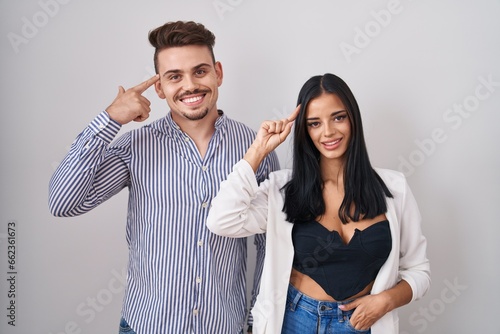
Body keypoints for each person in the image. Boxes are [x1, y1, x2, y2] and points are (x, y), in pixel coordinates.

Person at [48, 20, 279, 334]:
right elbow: (63, 202)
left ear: (218, 73)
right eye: (174, 76)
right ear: (160, 87)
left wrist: (256, 320)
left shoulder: (256, 146)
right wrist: (110, 119)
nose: (190, 86)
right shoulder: (136, 147)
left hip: (226, 326)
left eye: (200, 71)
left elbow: (271, 244)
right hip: (148, 325)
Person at [207, 73, 431, 334]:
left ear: (353, 119)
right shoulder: (282, 190)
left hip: (361, 323)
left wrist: (386, 301)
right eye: (314, 123)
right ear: (304, 130)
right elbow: (221, 220)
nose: (328, 132)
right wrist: (258, 150)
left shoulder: (395, 188)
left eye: (338, 117)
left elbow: (418, 270)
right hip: (294, 319)